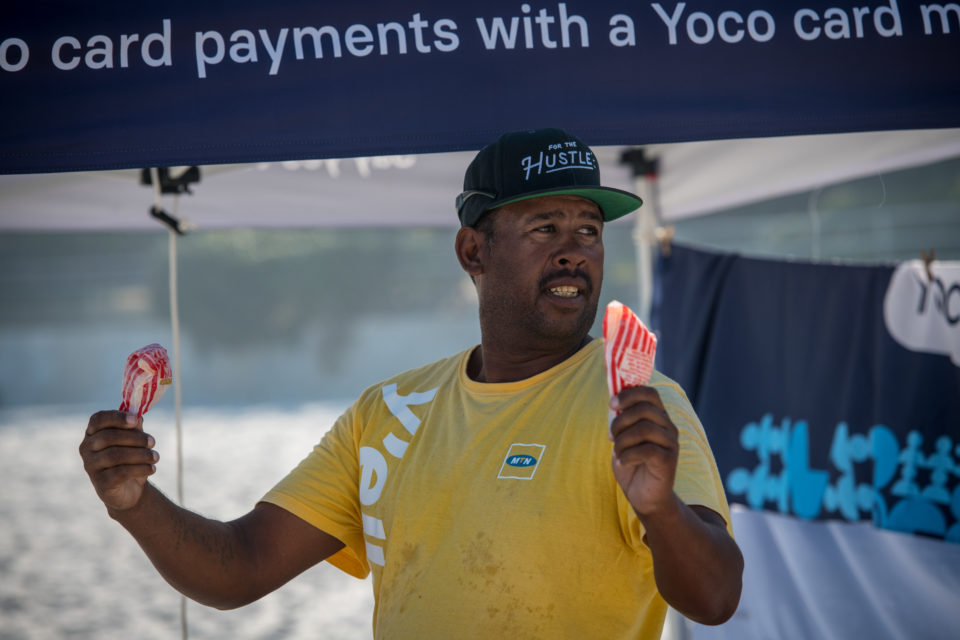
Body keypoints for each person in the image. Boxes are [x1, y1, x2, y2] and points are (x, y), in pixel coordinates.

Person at [80, 128, 743, 638]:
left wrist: (661, 509)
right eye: (545, 227)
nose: (574, 249)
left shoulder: (638, 405)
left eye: (590, 231)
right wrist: (134, 501)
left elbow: (715, 599)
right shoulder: (389, 410)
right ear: (472, 252)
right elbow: (240, 567)